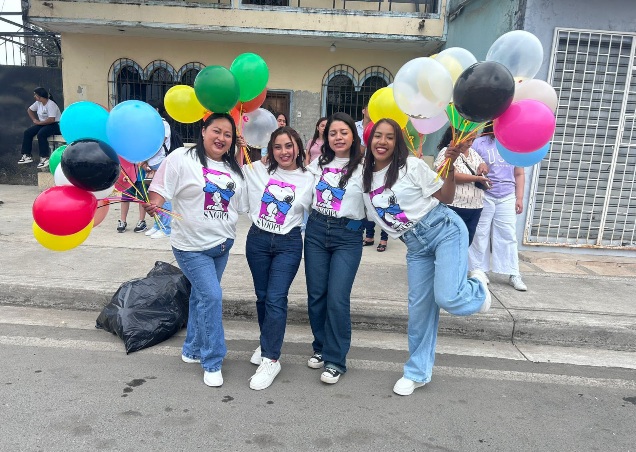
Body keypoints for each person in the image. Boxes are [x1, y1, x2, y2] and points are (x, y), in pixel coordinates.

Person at [362, 118, 491, 396]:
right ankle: (417, 373)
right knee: (419, 312)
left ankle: (478, 287)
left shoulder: (411, 166)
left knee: (448, 297)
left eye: (389, 137)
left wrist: (450, 168)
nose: (382, 142)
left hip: (444, 229)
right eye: (377, 136)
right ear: (369, 140)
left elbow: (446, 197)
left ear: (397, 142)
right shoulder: (365, 178)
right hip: (415, 246)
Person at [143, 113, 248, 388]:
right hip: (191, 247)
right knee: (212, 296)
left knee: (201, 296)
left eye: (227, 134)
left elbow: (239, 203)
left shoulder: (233, 167)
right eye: (216, 131)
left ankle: (191, 349)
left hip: (222, 245)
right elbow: (160, 188)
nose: (221, 138)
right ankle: (212, 361)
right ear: (203, 131)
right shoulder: (182, 158)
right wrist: (155, 204)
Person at [243, 127, 314, 390]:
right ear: (270, 150)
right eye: (278, 147)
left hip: (289, 243)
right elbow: (232, 174)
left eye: (289, 146)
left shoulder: (310, 177)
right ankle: (266, 343)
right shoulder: (258, 170)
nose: (284, 152)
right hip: (257, 240)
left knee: (275, 298)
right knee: (262, 297)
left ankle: (271, 359)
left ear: (298, 148)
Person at [304, 112, 365, 385]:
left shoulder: (365, 166)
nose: (338, 137)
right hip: (316, 231)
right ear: (325, 137)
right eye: (332, 133)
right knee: (317, 294)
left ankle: (335, 360)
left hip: (347, 235)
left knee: (337, 297)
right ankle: (321, 346)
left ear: (353, 135)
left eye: (343, 132)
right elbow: (299, 189)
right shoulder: (318, 164)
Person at [469, 124, 527, 291]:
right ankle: (479, 271)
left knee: (508, 234)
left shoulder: (514, 145)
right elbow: (470, 165)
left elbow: (519, 173)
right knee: (480, 233)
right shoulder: (479, 143)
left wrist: (519, 198)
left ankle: (513, 272)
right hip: (484, 194)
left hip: (507, 196)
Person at [433, 127, 490, 245]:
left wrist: (483, 167)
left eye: (473, 140)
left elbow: (482, 164)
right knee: (450, 242)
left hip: (475, 206)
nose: (470, 144)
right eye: (468, 140)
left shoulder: (473, 153)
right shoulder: (447, 152)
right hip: (455, 206)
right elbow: (448, 175)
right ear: (457, 137)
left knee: (466, 243)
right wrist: (476, 178)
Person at [356, 102, 389, 251]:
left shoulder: (383, 127)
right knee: (369, 203)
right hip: (368, 169)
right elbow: (360, 150)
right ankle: (369, 236)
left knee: (384, 204)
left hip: (385, 170)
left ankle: (384, 239)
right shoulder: (357, 128)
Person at [142, 100, 173, 239]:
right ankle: (157, 224)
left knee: (163, 196)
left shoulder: (163, 125)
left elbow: (157, 144)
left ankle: (166, 228)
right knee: (153, 196)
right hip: (151, 164)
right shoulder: (151, 125)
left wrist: (144, 159)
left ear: (156, 109)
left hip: (160, 163)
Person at [18, 87, 62, 169]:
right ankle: (26, 155)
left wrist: (39, 123)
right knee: (27, 132)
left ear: (40, 96)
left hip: (54, 125)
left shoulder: (51, 104)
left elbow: (51, 119)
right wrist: (34, 120)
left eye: (35, 95)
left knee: (41, 134)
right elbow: (29, 110)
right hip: (43, 124)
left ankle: (45, 158)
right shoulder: (38, 103)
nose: (34, 96)